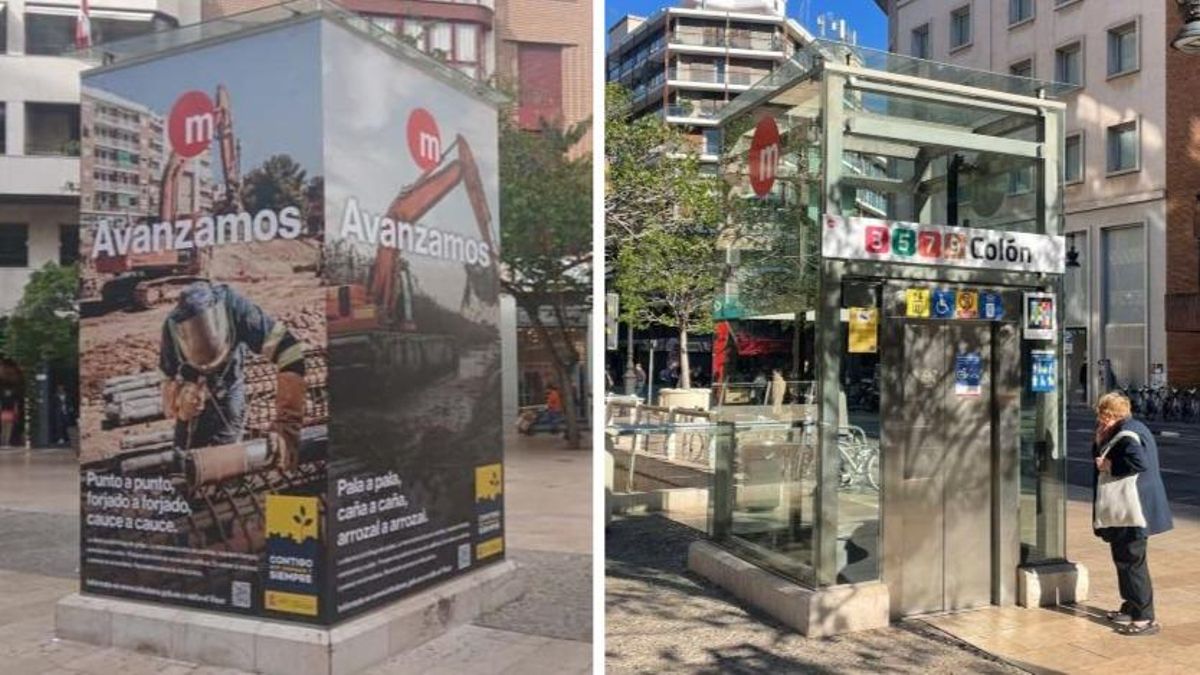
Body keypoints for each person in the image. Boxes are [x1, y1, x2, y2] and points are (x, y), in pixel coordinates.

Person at [160, 281, 306, 469]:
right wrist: (181, 400)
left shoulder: (237, 308)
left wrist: (288, 423)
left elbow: (289, 350)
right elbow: (167, 378)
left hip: (230, 380)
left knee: (226, 452)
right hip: (193, 383)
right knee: (183, 456)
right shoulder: (172, 327)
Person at [1092, 391, 1173, 636]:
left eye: (1104, 414)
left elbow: (1139, 463)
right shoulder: (1128, 428)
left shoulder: (1127, 434)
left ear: (1114, 414)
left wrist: (1110, 465)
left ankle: (1145, 618)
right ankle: (1130, 605)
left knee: (1133, 562)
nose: (1101, 419)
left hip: (1133, 509)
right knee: (1124, 559)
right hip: (1127, 510)